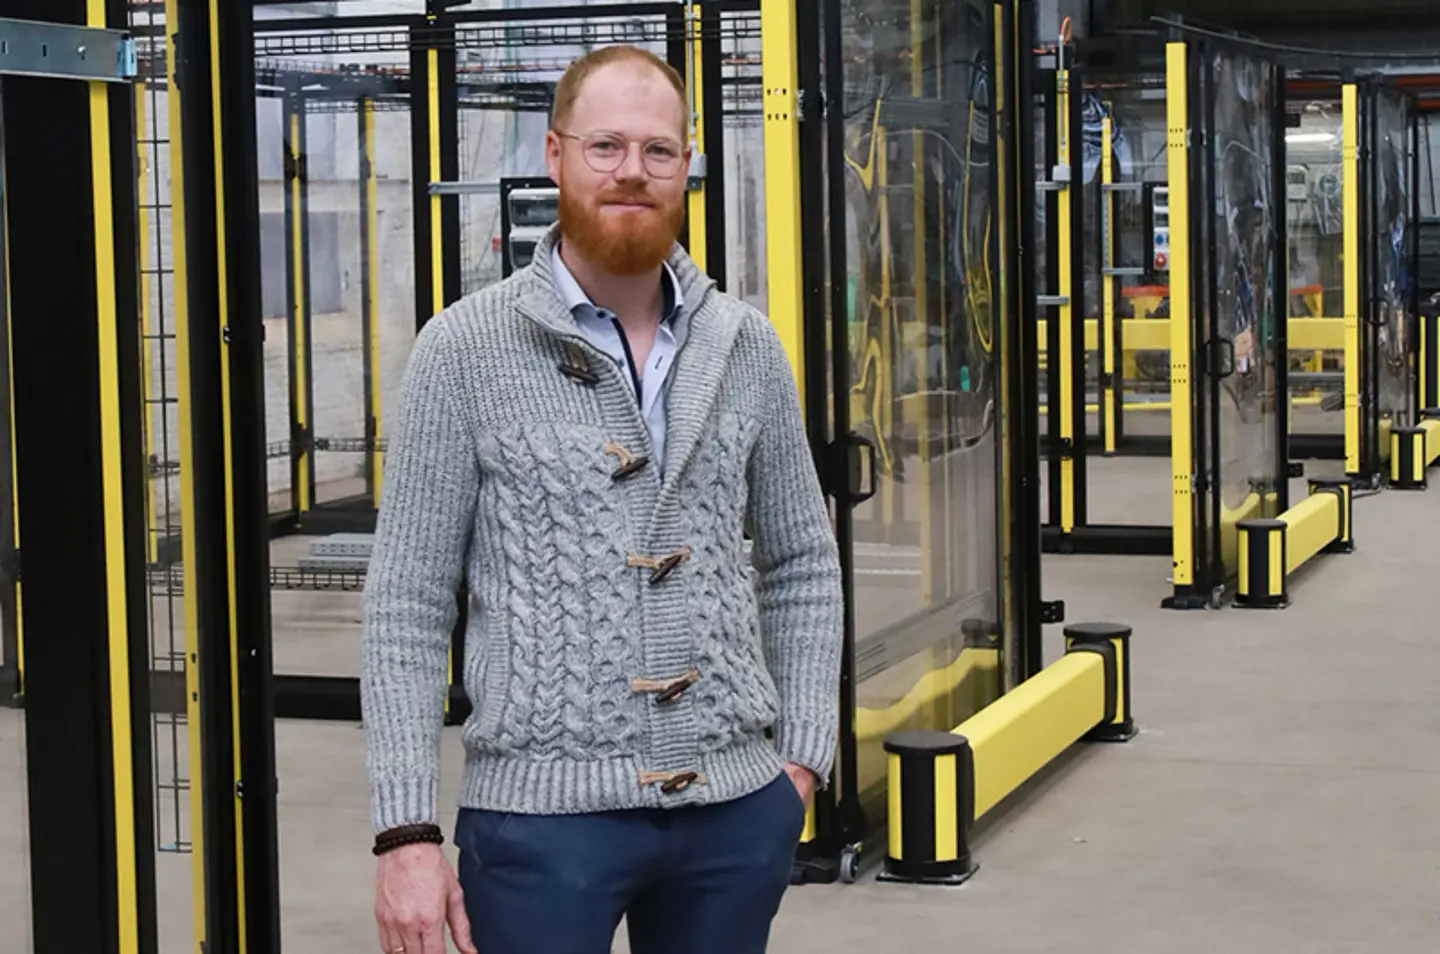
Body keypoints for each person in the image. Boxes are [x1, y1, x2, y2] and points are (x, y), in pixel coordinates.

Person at [360, 43, 844, 954]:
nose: (633, 171)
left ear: (688, 165)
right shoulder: (463, 353)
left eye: (660, 151)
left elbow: (802, 563)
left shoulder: (746, 347)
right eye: (606, 146)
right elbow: (406, 608)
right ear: (555, 155)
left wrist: (802, 762)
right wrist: (406, 834)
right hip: (539, 826)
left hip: (735, 812)